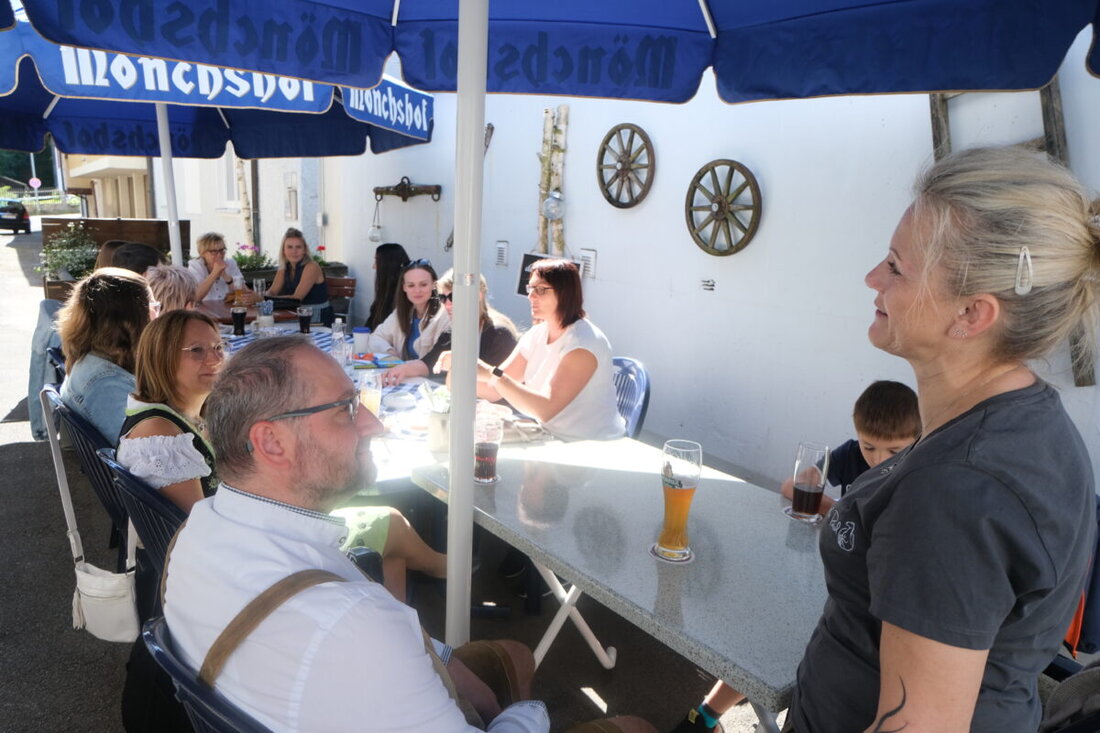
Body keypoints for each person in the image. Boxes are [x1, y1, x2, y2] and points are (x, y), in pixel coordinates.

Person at [163, 336, 653, 732]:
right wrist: (526, 715)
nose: (374, 425)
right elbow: (354, 631)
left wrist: (436, 655)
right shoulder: (353, 626)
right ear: (271, 442)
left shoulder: (195, 531)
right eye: (346, 409)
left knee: (515, 654)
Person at [786, 147, 1096, 733]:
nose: (873, 278)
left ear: (971, 314)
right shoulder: (1026, 420)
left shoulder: (957, 490)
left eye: (897, 267)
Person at [671, 380, 920, 733]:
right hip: (832, 573)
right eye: (870, 447)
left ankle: (721, 712)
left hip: (872, 604)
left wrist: (838, 513)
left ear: (917, 440)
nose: (879, 459)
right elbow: (793, 488)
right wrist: (837, 509)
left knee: (793, 642)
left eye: (894, 451)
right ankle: (708, 713)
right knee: (766, 624)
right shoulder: (851, 454)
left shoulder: (919, 474)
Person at [448, 259, 623, 441]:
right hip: (550, 437)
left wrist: (490, 373)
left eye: (540, 290)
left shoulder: (584, 344)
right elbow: (493, 390)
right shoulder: (538, 333)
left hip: (589, 446)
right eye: (530, 289)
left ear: (565, 293)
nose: (531, 296)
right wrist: (457, 373)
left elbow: (546, 409)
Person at [117, 310, 224, 513]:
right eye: (197, 350)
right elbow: (195, 528)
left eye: (218, 347)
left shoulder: (188, 416)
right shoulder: (159, 431)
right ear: (162, 357)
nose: (215, 359)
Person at [57, 267, 156, 442]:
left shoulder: (100, 360)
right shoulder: (106, 383)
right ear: (129, 322)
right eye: (153, 306)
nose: (157, 314)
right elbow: (142, 452)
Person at [387, 268, 518, 385]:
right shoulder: (454, 329)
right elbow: (428, 363)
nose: (448, 304)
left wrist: (452, 381)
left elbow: (498, 385)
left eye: (454, 296)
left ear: (477, 296)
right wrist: (401, 370)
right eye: (443, 298)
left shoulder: (499, 333)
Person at [374, 258, 450, 385]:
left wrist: (404, 367)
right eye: (411, 285)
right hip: (405, 379)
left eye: (423, 284)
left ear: (434, 285)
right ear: (404, 288)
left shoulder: (445, 315)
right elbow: (376, 336)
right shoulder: (402, 312)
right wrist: (390, 353)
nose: (417, 290)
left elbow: (437, 361)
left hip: (433, 383)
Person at [266, 226, 331, 324]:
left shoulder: (311, 266)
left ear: (304, 250)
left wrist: (267, 299)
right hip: (295, 314)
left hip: (316, 318)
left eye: (298, 247)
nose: (294, 251)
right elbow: (272, 292)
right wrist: (258, 296)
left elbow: (297, 298)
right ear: (283, 250)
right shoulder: (284, 267)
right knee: (262, 324)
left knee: (270, 327)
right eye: (289, 247)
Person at [365, 242, 410, 331]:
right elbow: (370, 327)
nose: (373, 267)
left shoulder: (403, 295)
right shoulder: (386, 291)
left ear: (387, 265)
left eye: (376, 262)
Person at [188, 232, 244, 302]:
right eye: (214, 251)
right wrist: (215, 273)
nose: (219, 255)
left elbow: (245, 293)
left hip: (227, 309)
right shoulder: (195, 266)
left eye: (222, 250)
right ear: (202, 253)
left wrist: (227, 278)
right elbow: (195, 298)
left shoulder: (230, 263)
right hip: (203, 311)